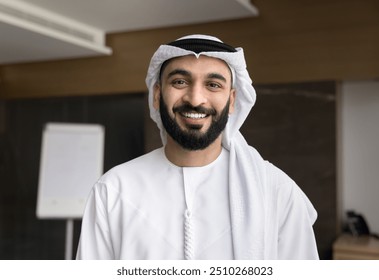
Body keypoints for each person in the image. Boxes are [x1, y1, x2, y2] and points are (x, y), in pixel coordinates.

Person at [76, 34, 319, 260]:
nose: (195, 99)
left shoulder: (276, 191)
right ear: (157, 95)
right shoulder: (113, 190)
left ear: (232, 100)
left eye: (213, 85)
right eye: (180, 82)